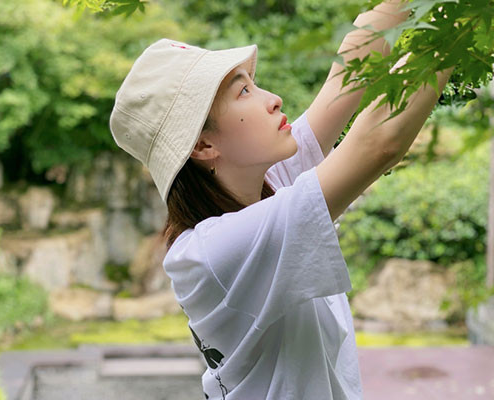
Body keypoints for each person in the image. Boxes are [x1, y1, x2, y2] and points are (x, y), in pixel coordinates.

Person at [109, 1, 454, 398]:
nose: (272, 98)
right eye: (243, 91)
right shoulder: (212, 251)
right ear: (203, 144)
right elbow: (378, 144)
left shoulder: (264, 188)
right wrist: (453, 33)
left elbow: (350, 70)